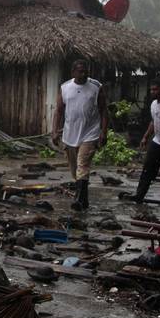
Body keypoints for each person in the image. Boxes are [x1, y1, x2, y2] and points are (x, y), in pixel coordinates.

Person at [52, 59, 109, 211]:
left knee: (82, 164)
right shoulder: (65, 88)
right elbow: (58, 111)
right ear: (73, 72)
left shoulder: (96, 87)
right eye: (80, 71)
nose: (84, 74)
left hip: (90, 133)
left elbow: (104, 110)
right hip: (70, 133)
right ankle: (84, 200)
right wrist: (54, 130)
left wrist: (103, 132)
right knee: (74, 169)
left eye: (86, 71)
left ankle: (78, 199)